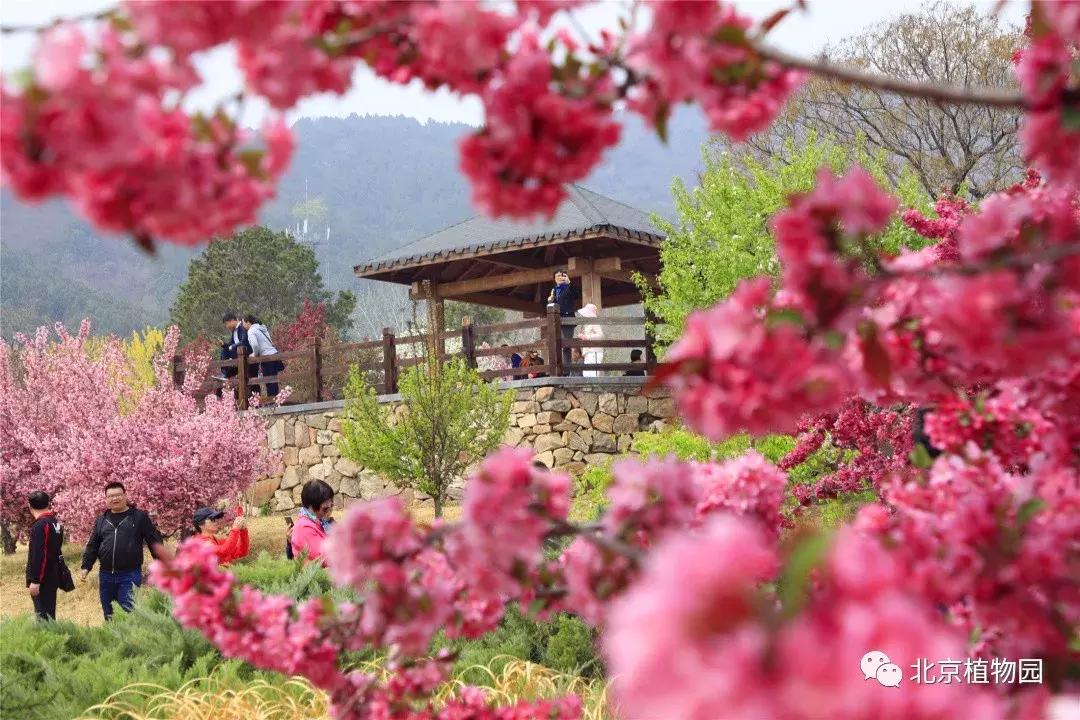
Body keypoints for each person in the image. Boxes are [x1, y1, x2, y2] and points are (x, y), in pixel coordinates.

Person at [80, 482, 173, 621]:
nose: (114, 498)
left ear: (125, 495)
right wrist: (86, 566)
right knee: (109, 612)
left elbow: (153, 542)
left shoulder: (138, 517)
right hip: (105, 575)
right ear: (106, 499)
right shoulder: (101, 520)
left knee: (128, 610)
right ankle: (112, 640)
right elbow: (93, 545)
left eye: (118, 495)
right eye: (110, 496)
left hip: (129, 574)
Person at [26, 491, 64, 620]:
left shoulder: (40, 525)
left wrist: (35, 580)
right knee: (49, 614)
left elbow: (40, 554)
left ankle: (49, 640)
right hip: (52, 575)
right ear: (48, 504)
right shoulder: (55, 523)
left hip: (43, 579)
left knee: (43, 617)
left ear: (30, 507)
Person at [289, 480, 335, 564]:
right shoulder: (304, 528)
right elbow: (326, 558)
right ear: (311, 506)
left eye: (331, 505)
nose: (330, 509)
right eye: (325, 508)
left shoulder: (321, 521)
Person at [243, 315, 284, 397]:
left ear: (248, 322)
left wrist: (254, 354)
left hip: (267, 357)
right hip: (274, 355)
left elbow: (255, 345)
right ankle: (276, 401)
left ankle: (272, 403)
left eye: (243, 323)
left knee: (269, 381)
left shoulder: (251, 331)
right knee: (273, 381)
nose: (243, 325)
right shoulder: (261, 328)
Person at [545, 269, 578, 370]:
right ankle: (558, 368)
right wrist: (550, 301)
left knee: (566, 345)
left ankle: (567, 370)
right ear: (554, 279)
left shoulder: (569, 287)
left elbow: (576, 295)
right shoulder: (554, 290)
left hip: (568, 319)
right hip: (556, 321)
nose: (560, 278)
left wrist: (569, 283)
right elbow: (550, 307)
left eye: (562, 275)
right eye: (558, 276)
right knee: (556, 344)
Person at [218, 312, 252, 382]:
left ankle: (226, 373)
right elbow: (231, 344)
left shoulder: (242, 327)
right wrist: (224, 344)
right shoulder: (234, 331)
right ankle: (225, 373)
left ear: (232, 321)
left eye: (227, 324)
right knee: (224, 350)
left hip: (245, 353)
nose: (227, 327)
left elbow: (244, 341)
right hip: (238, 354)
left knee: (250, 379)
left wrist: (232, 346)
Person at [576, 303, 603, 377]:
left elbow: (600, 335)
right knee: (587, 374)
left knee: (593, 374)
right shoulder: (588, 324)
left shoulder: (594, 322)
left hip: (594, 351)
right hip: (588, 352)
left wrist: (586, 337)